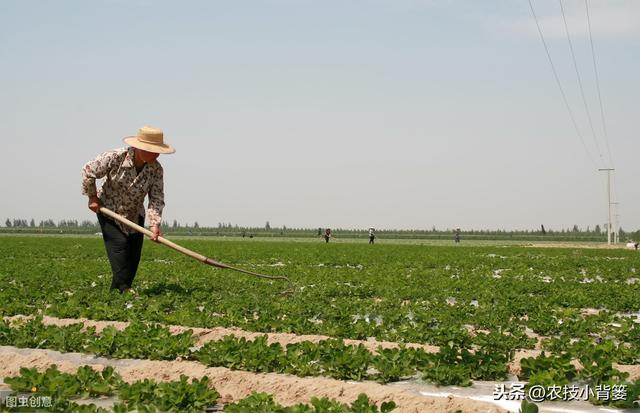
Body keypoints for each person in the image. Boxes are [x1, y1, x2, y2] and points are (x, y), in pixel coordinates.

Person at [81, 126, 175, 293]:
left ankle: (117, 292)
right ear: (139, 148)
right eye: (152, 150)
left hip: (134, 214)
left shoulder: (156, 169)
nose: (156, 155)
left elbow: (156, 198)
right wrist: (92, 197)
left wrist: (155, 225)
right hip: (108, 210)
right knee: (119, 245)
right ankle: (125, 289)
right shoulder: (115, 157)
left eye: (158, 151)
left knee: (133, 255)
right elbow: (88, 171)